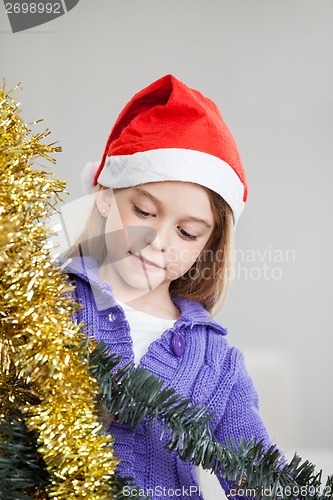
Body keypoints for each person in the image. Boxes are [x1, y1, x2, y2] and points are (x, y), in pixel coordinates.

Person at [63, 74, 274, 499]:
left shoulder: (215, 362)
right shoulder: (47, 300)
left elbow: (258, 476)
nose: (158, 241)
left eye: (187, 232)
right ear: (105, 193)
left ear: (208, 244)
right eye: (143, 211)